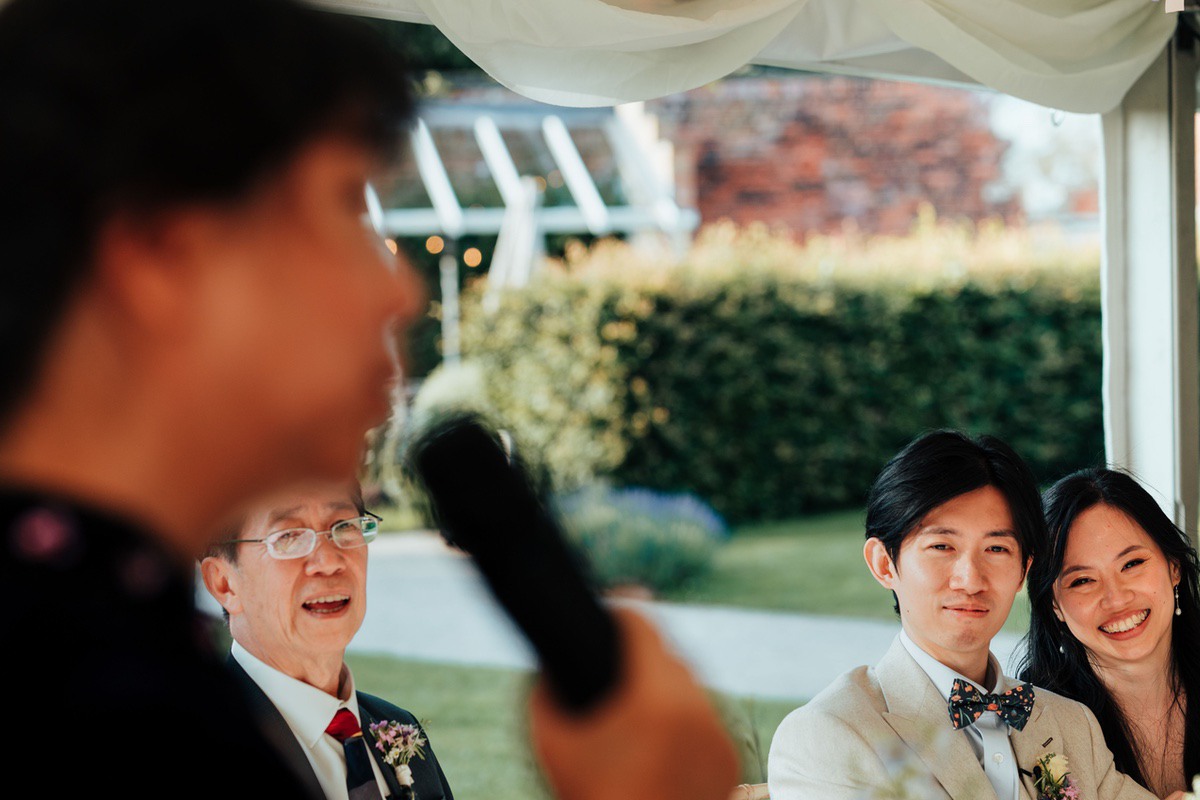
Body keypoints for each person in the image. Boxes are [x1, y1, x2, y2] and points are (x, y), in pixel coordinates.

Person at [0, 1, 737, 798]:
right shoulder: (91, 712)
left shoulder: (123, 654)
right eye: (345, 209)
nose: (398, 291)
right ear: (160, 257)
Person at [768, 430, 1157, 800]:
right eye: (942, 546)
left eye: (996, 549)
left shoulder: (1070, 725)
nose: (970, 580)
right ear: (884, 564)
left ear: (1023, 569)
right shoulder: (829, 734)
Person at [201, 481, 454, 800]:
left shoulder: (399, 727)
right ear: (224, 583)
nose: (329, 562)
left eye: (344, 526)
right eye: (288, 536)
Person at [1019, 468, 1200, 800]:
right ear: (1055, 606)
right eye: (1082, 581)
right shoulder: (1036, 726)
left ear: (1173, 566)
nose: (1116, 600)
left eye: (1132, 564)